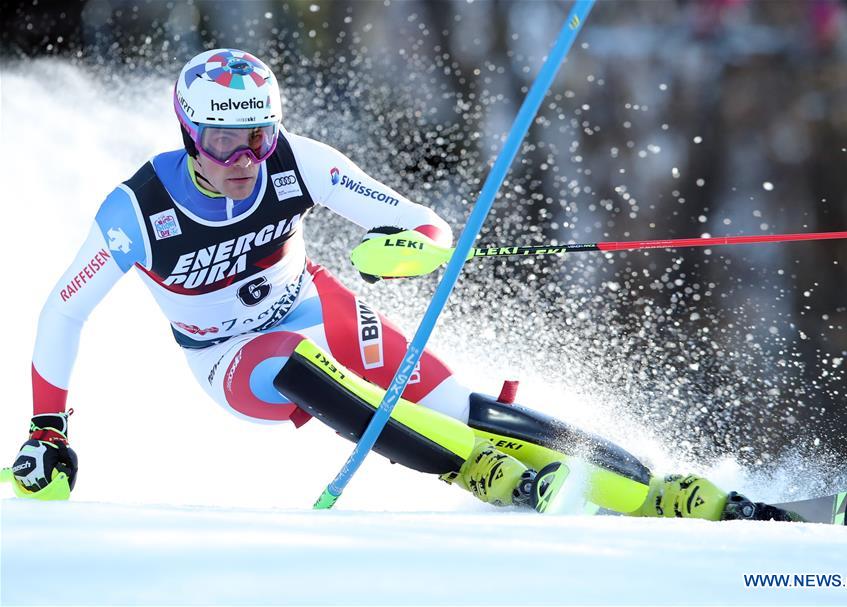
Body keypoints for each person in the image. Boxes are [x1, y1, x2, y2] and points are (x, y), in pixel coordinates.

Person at [9, 48, 793, 521]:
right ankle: (473, 470)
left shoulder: (298, 161)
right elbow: (62, 311)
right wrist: (49, 430)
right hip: (229, 358)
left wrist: (404, 250)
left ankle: (658, 490)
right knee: (295, 362)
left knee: (473, 408)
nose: (245, 156)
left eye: (257, 135)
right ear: (188, 132)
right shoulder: (138, 209)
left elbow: (425, 226)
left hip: (319, 302)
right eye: (223, 139)